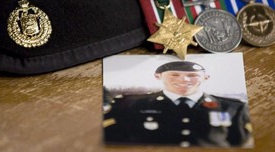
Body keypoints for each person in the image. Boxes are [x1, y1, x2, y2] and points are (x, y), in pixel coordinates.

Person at [103, 61, 253, 147]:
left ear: (206, 77)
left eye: (192, 76)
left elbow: (239, 143)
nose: (184, 80)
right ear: (158, 76)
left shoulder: (233, 107)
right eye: (174, 75)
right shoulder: (131, 104)